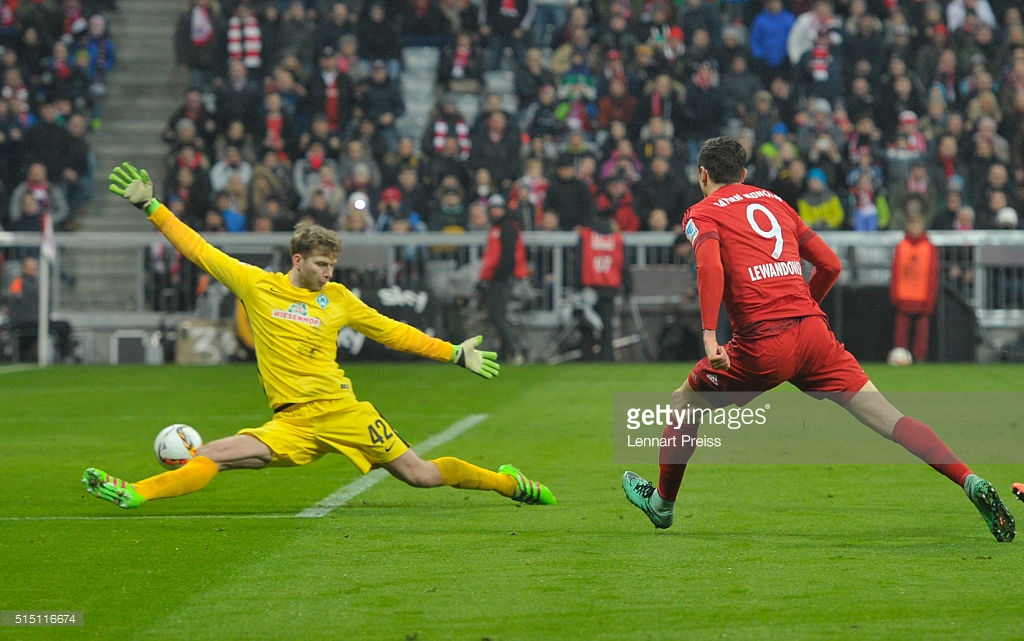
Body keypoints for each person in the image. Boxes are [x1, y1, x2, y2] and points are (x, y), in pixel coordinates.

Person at [83, 163, 555, 510]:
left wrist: (452, 352)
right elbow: (200, 250)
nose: (328, 273)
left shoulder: (339, 299)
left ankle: (507, 482)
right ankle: (135, 491)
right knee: (209, 456)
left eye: (332, 265)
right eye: (321, 265)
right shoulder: (256, 285)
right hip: (291, 423)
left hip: (344, 412)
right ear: (298, 260)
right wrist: (152, 207)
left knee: (422, 475)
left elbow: (391, 332)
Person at [621, 136, 1014, 542]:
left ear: (702, 174)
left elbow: (709, 264)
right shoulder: (775, 202)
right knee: (891, 419)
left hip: (762, 344)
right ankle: (968, 479)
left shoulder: (702, 212)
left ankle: (662, 505)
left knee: (683, 401)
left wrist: (708, 334)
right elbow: (830, 264)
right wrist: (804, 307)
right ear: (744, 174)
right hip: (814, 336)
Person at [479, 193, 527, 365]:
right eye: (493, 208)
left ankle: (513, 350)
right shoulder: (501, 227)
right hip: (498, 277)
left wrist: (497, 276)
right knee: (498, 315)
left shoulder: (506, 228)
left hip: (502, 278)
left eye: (498, 208)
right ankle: (506, 350)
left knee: (498, 315)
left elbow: (507, 257)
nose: (495, 212)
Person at [4, 256, 76, 362]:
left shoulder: (35, 282)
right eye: (30, 266)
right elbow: (16, 302)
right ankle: (64, 357)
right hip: (25, 322)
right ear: (23, 268)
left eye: (34, 266)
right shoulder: (18, 283)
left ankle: (63, 356)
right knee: (63, 326)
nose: (33, 268)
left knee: (64, 325)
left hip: (34, 320)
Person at [889, 214, 938, 363]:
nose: (915, 228)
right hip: (904, 295)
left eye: (917, 225)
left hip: (922, 296)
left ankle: (920, 358)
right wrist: (895, 295)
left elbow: (933, 274)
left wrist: (930, 298)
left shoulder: (929, 247)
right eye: (912, 225)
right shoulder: (901, 246)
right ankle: (900, 356)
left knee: (922, 333)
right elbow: (895, 272)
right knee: (901, 332)